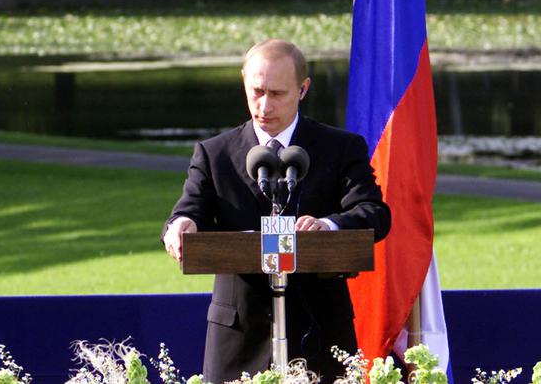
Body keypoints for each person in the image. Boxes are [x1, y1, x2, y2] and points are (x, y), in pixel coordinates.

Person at [161, 39, 390, 383]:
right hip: (239, 336)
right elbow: (189, 210)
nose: (264, 105)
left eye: (278, 93)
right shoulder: (214, 154)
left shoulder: (340, 148)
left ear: (303, 89)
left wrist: (328, 225)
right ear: (243, 82)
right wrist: (181, 224)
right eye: (256, 91)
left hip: (319, 329)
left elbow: (375, 213)